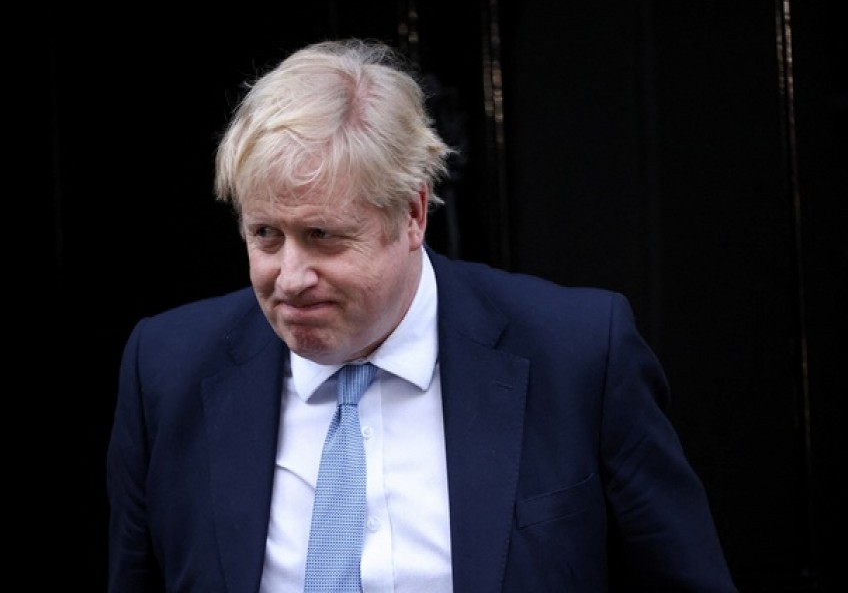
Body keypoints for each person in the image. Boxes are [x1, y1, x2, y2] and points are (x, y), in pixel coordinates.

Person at [106, 38, 739, 592]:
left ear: (412, 215)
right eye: (266, 234)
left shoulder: (577, 356)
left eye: (323, 235)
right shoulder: (167, 370)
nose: (289, 277)